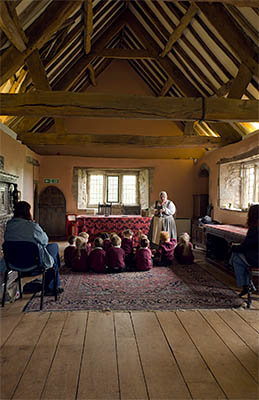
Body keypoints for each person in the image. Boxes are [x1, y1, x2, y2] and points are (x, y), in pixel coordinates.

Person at [1, 201, 63, 295]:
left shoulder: (9, 226)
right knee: (54, 247)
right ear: (27, 212)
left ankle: (51, 284)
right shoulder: (32, 226)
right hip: (34, 263)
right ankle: (51, 287)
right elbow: (45, 241)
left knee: (50, 257)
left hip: (13, 262)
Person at [229, 204, 259, 297]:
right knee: (236, 257)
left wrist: (233, 247)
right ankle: (248, 286)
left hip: (256, 259)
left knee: (236, 258)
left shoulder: (255, 229)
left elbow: (246, 246)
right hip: (255, 254)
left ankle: (246, 286)